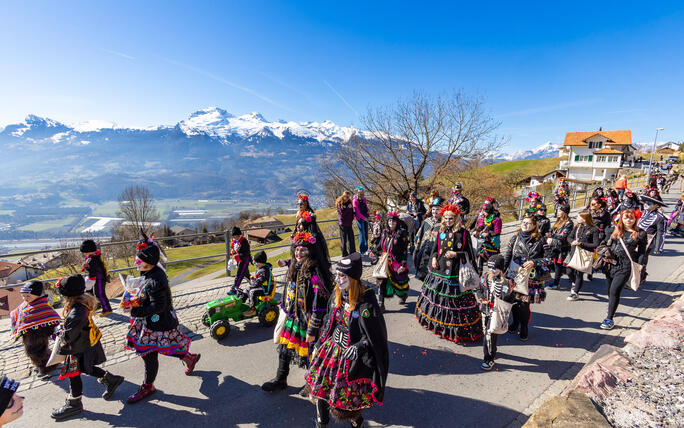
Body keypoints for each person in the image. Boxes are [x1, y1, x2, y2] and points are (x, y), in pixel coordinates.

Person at [306, 253, 389, 428]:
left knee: (347, 402)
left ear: (353, 278)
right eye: (337, 275)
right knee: (321, 390)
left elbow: (375, 336)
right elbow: (329, 322)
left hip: (351, 360)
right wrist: (319, 344)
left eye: (342, 276)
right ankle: (322, 423)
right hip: (331, 351)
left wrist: (359, 346)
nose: (338, 279)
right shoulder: (336, 296)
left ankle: (356, 421)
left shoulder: (366, 302)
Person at [125, 234, 200, 404]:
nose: (137, 263)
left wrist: (136, 311)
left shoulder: (156, 279)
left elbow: (157, 306)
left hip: (157, 322)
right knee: (162, 347)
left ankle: (148, 386)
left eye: (139, 261)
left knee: (150, 352)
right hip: (151, 321)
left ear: (149, 262)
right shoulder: (149, 272)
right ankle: (189, 358)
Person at [262, 232, 331, 392]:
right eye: (297, 250)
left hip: (310, 321)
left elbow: (319, 305)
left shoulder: (314, 275)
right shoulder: (296, 267)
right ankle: (280, 379)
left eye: (303, 251)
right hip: (294, 317)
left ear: (310, 252)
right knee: (284, 348)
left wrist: (313, 329)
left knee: (311, 354)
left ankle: (312, 384)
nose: (298, 253)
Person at [51, 274, 124, 420]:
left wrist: (58, 330)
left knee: (73, 373)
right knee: (84, 368)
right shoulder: (81, 304)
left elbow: (68, 336)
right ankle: (110, 379)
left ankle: (74, 404)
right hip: (83, 343)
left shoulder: (76, 312)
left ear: (66, 296)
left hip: (77, 346)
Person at [415, 204, 482, 343]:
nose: (448, 220)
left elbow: (469, 254)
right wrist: (433, 258)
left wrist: (456, 254)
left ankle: (451, 330)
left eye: (450, 218)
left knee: (453, 303)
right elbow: (434, 249)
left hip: (455, 272)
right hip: (438, 270)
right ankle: (437, 325)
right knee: (437, 300)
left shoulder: (463, 233)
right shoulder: (441, 231)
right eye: (445, 218)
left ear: (456, 218)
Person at [504, 215, 550, 341]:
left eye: (529, 223)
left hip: (530, 277)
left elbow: (549, 258)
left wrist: (535, 262)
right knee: (513, 302)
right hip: (514, 275)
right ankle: (515, 322)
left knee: (524, 304)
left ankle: (524, 326)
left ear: (534, 226)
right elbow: (508, 256)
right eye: (523, 222)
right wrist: (503, 272)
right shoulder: (515, 237)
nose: (525, 225)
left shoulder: (540, 240)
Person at [600, 210, 647, 329]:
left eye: (631, 218)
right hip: (610, 264)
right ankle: (612, 307)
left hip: (625, 266)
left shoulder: (640, 233)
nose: (629, 220)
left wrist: (640, 268)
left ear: (635, 219)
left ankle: (609, 319)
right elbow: (605, 243)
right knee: (610, 289)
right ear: (622, 218)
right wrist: (606, 254)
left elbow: (642, 253)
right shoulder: (614, 230)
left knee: (614, 291)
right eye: (626, 218)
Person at [9, 280, 61, 376]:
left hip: (40, 334)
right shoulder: (26, 304)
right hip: (28, 334)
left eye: (28, 296)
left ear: (37, 294)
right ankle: (45, 363)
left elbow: (52, 317)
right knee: (31, 351)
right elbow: (19, 312)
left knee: (37, 352)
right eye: (23, 296)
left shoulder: (43, 305)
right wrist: (14, 314)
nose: (25, 298)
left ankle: (46, 367)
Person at [476, 255, 514, 370]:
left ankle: (488, 358)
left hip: (496, 312)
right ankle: (492, 350)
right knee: (488, 333)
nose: (492, 271)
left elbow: (509, 299)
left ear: (501, 268)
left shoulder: (507, 282)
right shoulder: (485, 277)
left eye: (495, 268)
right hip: (485, 310)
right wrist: (480, 297)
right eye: (490, 268)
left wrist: (507, 293)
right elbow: (479, 289)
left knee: (489, 334)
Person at [376, 212, 410, 311]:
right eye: (390, 220)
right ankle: (381, 303)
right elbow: (380, 245)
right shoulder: (385, 232)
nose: (391, 222)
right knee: (381, 281)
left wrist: (403, 264)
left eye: (394, 220)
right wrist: (374, 251)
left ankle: (403, 295)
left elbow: (404, 250)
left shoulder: (401, 233)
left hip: (397, 262)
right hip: (385, 261)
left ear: (397, 222)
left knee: (399, 283)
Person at [566, 211, 600, 301]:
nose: (577, 218)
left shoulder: (594, 229)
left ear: (584, 218)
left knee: (579, 273)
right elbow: (569, 237)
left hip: (585, 254)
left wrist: (581, 243)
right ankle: (574, 283)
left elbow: (596, 244)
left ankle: (575, 293)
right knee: (568, 271)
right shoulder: (578, 226)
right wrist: (571, 242)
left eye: (578, 217)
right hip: (574, 252)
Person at [637, 195, 668, 280]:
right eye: (646, 202)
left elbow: (661, 233)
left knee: (641, 259)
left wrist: (658, 248)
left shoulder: (660, 218)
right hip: (636, 238)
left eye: (649, 203)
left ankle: (640, 277)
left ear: (656, 205)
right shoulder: (643, 213)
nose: (646, 204)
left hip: (647, 241)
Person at [545, 204, 574, 290]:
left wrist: (552, 235)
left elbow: (563, 236)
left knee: (559, 265)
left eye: (560, 211)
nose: (558, 212)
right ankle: (562, 279)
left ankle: (556, 283)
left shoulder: (569, 223)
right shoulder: (558, 221)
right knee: (557, 265)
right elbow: (553, 230)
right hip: (555, 246)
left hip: (563, 247)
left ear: (565, 212)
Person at [80, 239, 112, 315]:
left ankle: (107, 309)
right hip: (97, 278)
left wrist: (86, 268)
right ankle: (98, 305)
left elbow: (93, 270)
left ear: (89, 251)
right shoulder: (94, 256)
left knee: (100, 294)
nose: (84, 254)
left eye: (85, 252)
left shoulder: (93, 259)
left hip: (100, 278)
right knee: (96, 293)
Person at [414, 197, 442, 280]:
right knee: (422, 275)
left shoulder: (443, 224)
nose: (435, 211)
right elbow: (419, 236)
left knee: (433, 277)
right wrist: (417, 248)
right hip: (423, 252)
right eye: (433, 209)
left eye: (437, 209)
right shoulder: (426, 222)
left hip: (435, 254)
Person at [471, 197, 503, 272]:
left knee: (492, 260)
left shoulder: (497, 220)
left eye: (484, 211)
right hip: (485, 242)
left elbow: (497, 232)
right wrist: (476, 231)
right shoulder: (486, 218)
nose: (483, 213)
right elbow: (482, 226)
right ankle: (479, 272)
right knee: (479, 254)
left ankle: (493, 273)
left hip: (493, 243)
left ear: (488, 211)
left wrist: (488, 234)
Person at [243, 250, 274, 317]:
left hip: (265, 290)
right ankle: (241, 302)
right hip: (262, 286)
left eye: (256, 262)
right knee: (247, 289)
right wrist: (254, 279)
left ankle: (252, 309)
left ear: (261, 262)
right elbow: (259, 280)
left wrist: (253, 282)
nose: (255, 264)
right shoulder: (261, 268)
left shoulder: (265, 271)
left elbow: (259, 282)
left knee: (252, 291)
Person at [228, 226, 251, 295]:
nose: (235, 238)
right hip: (239, 260)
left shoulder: (244, 242)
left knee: (239, 274)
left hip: (244, 261)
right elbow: (233, 248)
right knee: (246, 274)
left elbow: (246, 254)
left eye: (236, 237)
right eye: (234, 237)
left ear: (240, 235)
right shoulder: (235, 241)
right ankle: (255, 283)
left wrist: (237, 256)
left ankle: (234, 289)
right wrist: (232, 251)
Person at [336, 190, 356, 257]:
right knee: (344, 239)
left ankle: (352, 252)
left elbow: (352, 212)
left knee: (351, 238)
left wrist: (354, 215)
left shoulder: (350, 202)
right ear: (343, 196)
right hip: (343, 223)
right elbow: (342, 214)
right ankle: (344, 254)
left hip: (349, 223)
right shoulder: (340, 203)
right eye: (346, 197)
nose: (347, 198)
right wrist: (348, 208)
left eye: (348, 196)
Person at [353, 186, 370, 255]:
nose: (361, 194)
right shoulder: (355, 200)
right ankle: (362, 251)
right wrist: (364, 218)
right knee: (361, 234)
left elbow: (366, 206)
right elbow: (357, 211)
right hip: (360, 219)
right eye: (360, 193)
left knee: (366, 234)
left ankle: (366, 249)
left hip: (365, 217)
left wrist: (368, 209)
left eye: (362, 193)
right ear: (357, 193)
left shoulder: (364, 199)